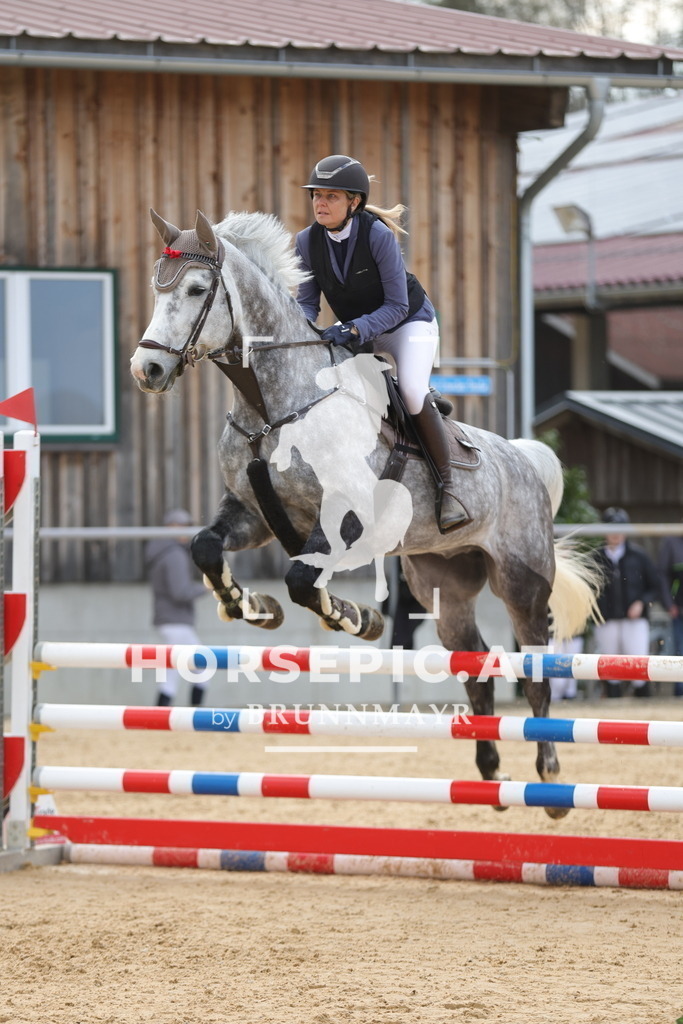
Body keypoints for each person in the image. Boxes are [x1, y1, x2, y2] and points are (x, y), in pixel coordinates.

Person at [295, 154, 469, 534]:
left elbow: (397, 305)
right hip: (361, 328)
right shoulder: (306, 241)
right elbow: (307, 302)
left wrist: (352, 329)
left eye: (331, 196)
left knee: (409, 390)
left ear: (354, 202)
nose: (320, 204)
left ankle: (449, 488)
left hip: (409, 323)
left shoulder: (377, 235)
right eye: (316, 196)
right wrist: (302, 333)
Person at [593, 507, 661, 698]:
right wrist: (597, 610)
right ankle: (613, 707)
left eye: (620, 528)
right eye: (611, 528)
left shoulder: (639, 556)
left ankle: (644, 706)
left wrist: (641, 601)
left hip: (635, 621)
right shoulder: (595, 557)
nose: (615, 534)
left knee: (638, 664)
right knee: (610, 667)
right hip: (607, 620)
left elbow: (654, 586)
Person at [145, 508, 208, 707]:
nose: (186, 532)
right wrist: (207, 587)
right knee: (203, 666)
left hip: (168, 620)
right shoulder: (174, 555)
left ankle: (161, 715)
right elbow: (181, 592)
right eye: (181, 527)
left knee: (171, 672)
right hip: (176, 621)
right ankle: (195, 715)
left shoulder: (163, 552)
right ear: (170, 528)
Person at [657, 526, 683, 695]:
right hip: (679, 609)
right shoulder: (672, 543)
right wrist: (668, 603)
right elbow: (662, 575)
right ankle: (680, 691)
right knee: (680, 650)